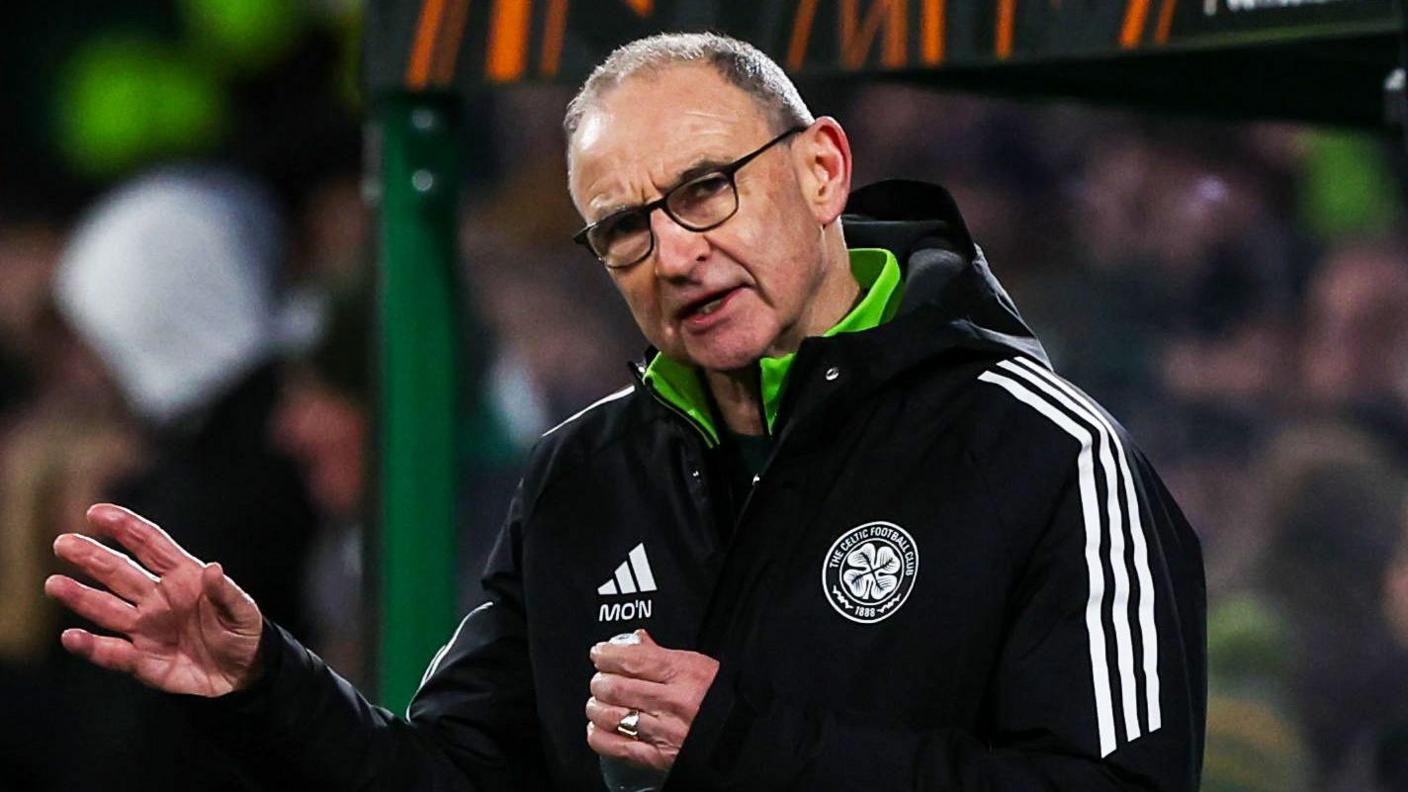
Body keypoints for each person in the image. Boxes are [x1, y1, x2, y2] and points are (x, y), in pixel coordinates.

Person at [44, 32, 1207, 790]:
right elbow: (454, 777)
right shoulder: (584, 475)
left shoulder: (1044, 454)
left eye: (705, 190)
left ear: (821, 170)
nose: (676, 254)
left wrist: (741, 745)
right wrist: (266, 689)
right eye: (623, 229)